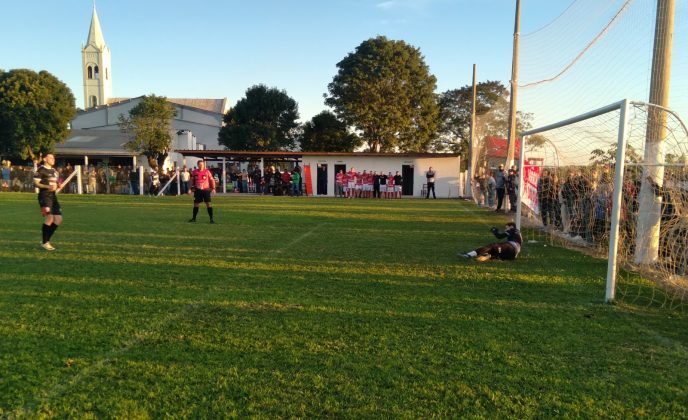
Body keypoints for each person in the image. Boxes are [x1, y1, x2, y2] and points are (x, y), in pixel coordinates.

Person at [34, 154, 62, 251]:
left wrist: (58, 184)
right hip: (44, 197)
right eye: (51, 158)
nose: (53, 159)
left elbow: (56, 181)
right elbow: (36, 183)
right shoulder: (40, 170)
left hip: (53, 197)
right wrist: (48, 187)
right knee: (49, 218)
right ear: (45, 159)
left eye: (54, 158)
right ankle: (45, 242)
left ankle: (45, 241)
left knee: (58, 219)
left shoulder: (54, 171)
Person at [459, 222, 523, 262]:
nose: (505, 230)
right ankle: (487, 256)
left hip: (512, 247)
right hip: (512, 255)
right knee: (495, 251)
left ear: (511, 226)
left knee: (492, 246)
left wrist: (494, 231)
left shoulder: (513, 229)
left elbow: (499, 236)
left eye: (506, 228)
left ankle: (468, 255)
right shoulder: (517, 233)